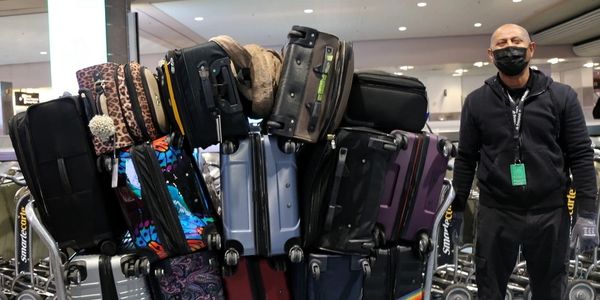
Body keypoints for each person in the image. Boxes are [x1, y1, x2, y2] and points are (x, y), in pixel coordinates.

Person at [451, 23, 599, 300]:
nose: (509, 48)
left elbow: (580, 155)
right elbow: (465, 159)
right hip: (496, 211)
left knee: (551, 289)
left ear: (531, 49)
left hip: (549, 212)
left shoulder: (561, 96)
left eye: (516, 41)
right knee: (489, 288)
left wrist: (587, 212)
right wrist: (457, 209)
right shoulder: (476, 102)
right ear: (490, 54)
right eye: (502, 44)